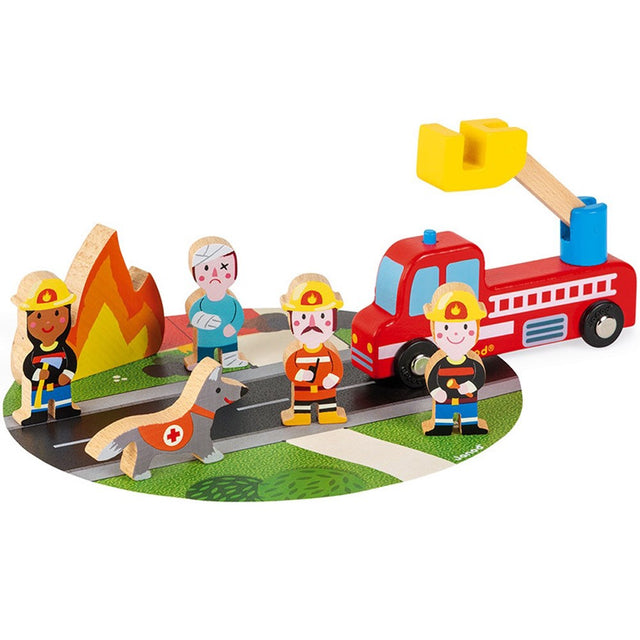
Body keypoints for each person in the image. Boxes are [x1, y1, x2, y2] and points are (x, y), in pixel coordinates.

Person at [280, 274, 347, 426]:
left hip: (326, 390)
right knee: (301, 409)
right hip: (303, 391)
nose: (312, 323)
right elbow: (290, 368)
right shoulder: (295, 352)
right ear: (290, 318)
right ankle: (299, 416)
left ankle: (329, 414)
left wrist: (333, 378)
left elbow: (337, 367)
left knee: (328, 407)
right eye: (303, 316)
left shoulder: (329, 351)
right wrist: (301, 374)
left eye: (322, 316)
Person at [422, 282, 488, 436]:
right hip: (444, 399)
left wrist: (470, 386)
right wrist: (437, 391)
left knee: (469, 415)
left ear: (477, 328)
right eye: (446, 327)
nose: (456, 334)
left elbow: (479, 377)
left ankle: (470, 426)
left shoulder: (473, 361)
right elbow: (432, 378)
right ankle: (441, 427)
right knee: (443, 417)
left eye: (465, 327)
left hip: (467, 399)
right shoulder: (439, 362)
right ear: (433, 328)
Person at [13, 276, 81, 425]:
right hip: (40, 387)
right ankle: (37, 414)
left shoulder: (64, 349)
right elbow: (27, 366)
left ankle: (65, 409)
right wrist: (37, 374)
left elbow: (71, 362)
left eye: (57, 314)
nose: (48, 322)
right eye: (38, 316)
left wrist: (67, 374)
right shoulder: (33, 353)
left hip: (61, 384)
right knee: (39, 405)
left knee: (63, 401)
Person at [186, 237, 247, 369]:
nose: (214, 274)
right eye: (206, 268)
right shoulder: (199, 301)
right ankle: (202, 362)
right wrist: (201, 319)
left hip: (228, 337)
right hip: (206, 339)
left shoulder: (232, 300)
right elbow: (193, 314)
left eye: (223, 267)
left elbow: (238, 316)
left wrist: (233, 327)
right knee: (205, 356)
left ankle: (230, 361)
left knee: (229, 351)